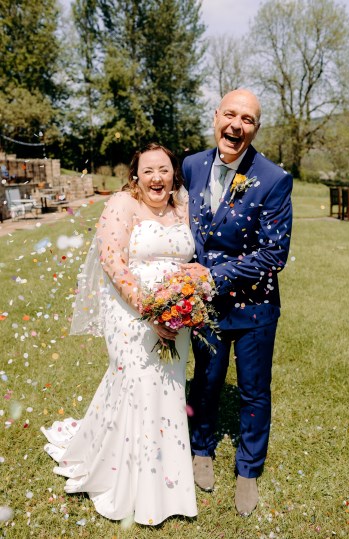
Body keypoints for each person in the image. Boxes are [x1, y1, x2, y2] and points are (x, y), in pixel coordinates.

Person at [41, 143, 198, 525]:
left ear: (173, 173)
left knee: (168, 388)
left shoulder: (182, 205)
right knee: (138, 386)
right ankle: (128, 481)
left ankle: (167, 480)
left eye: (164, 170)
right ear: (135, 176)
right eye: (149, 171)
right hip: (131, 314)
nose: (157, 178)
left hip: (176, 317)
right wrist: (150, 311)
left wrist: (187, 298)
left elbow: (188, 259)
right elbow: (112, 261)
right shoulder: (122, 205)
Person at [181, 88, 293, 516]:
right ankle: (201, 448)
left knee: (252, 391)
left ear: (255, 129)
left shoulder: (273, 178)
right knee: (205, 382)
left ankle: (248, 471)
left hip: (254, 309)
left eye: (247, 120)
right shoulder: (191, 166)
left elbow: (272, 256)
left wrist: (210, 277)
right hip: (203, 308)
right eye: (230, 115)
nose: (236, 125)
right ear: (215, 117)